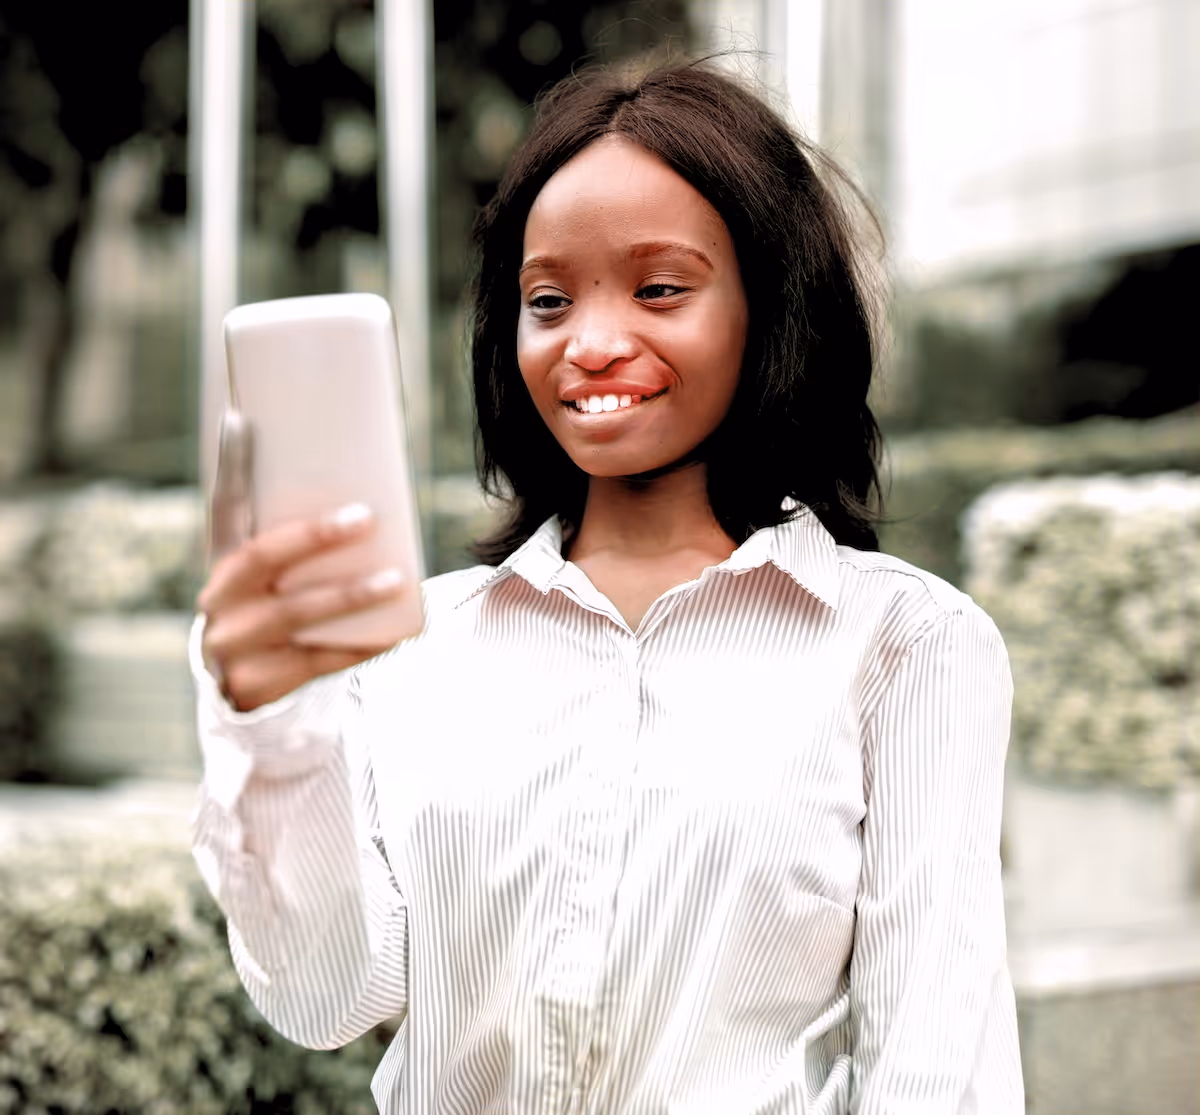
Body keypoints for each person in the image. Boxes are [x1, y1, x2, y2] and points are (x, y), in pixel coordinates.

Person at [193, 59, 1024, 1114]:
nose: (588, 343)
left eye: (659, 287)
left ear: (770, 310)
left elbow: (936, 1060)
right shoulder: (414, 641)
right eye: (548, 299)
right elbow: (327, 994)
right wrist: (271, 731)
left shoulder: (906, 642)